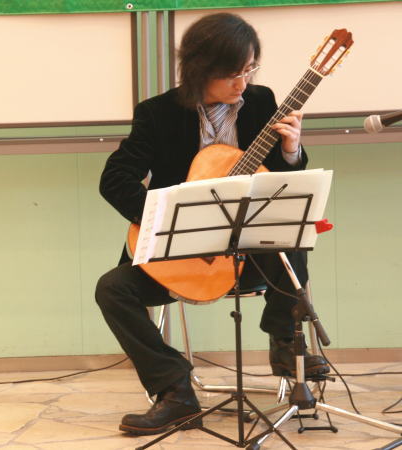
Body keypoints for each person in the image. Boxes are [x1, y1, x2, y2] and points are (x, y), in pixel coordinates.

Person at [95, 12, 329, 436]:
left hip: (253, 259)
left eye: (250, 69)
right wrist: (164, 217)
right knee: (112, 289)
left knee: (290, 233)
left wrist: (291, 150)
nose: (243, 82)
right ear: (200, 68)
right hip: (184, 257)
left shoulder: (262, 102)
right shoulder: (157, 114)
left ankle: (283, 344)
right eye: (232, 73)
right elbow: (114, 180)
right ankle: (175, 391)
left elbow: (283, 184)